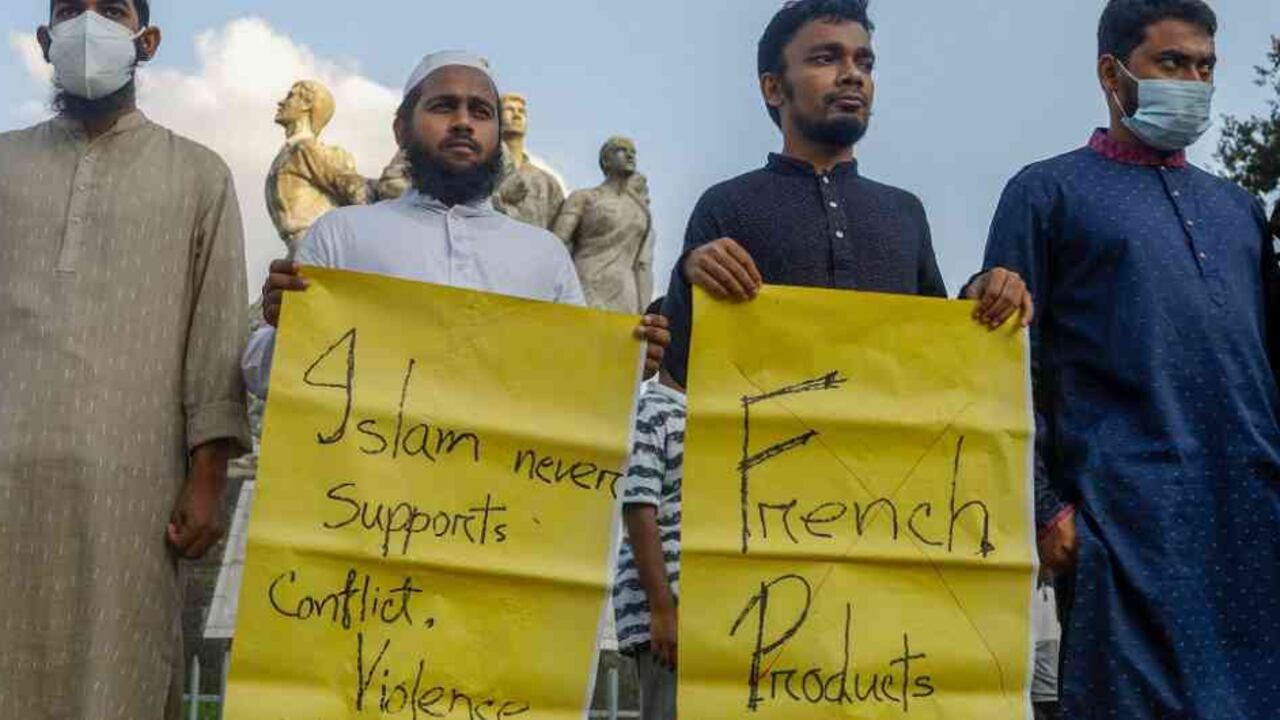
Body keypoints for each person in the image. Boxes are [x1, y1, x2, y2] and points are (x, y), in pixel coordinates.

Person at [977, 1, 1280, 716]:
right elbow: (1002, 366)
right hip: (1125, 530)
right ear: (1112, 73)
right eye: (1172, 63)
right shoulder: (1046, 192)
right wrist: (1047, 509)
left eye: (1205, 66)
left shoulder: (1239, 211)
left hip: (1250, 524)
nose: (1195, 81)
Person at [0, 1, 251, 717]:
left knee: (120, 672)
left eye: (108, 9)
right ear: (46, 40)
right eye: (69, 10)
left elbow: (215, 335)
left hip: (133, 492)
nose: (88, 23)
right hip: (4, 474)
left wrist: (207, 478)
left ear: (147, 40)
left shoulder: (200, 175)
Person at [243, 51, 668, 396]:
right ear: (401, 130)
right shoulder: (341, 234)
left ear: (496, 136)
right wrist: (288, 325)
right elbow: (263, 375)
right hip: (360, 497)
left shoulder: (544, 256)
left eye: (481, 111)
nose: (464, 121)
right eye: (444, 106)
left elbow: (572, 381)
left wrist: (628, 362)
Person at [661, 0, 1032, 389]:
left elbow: (932, 356)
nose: (853, 75)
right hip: (760, 444)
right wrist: (690, 276)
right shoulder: (727, 205)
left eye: (865, 63)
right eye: (825, 59)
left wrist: (984, 295)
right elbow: (681, 369)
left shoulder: (904, 212)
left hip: (888, 446)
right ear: (773, 88)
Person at [614, 298, 684, 720]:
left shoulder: (710, 415)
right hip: (664, 619)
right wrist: (663, 609)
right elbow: (639, 505)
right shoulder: (653, 410)